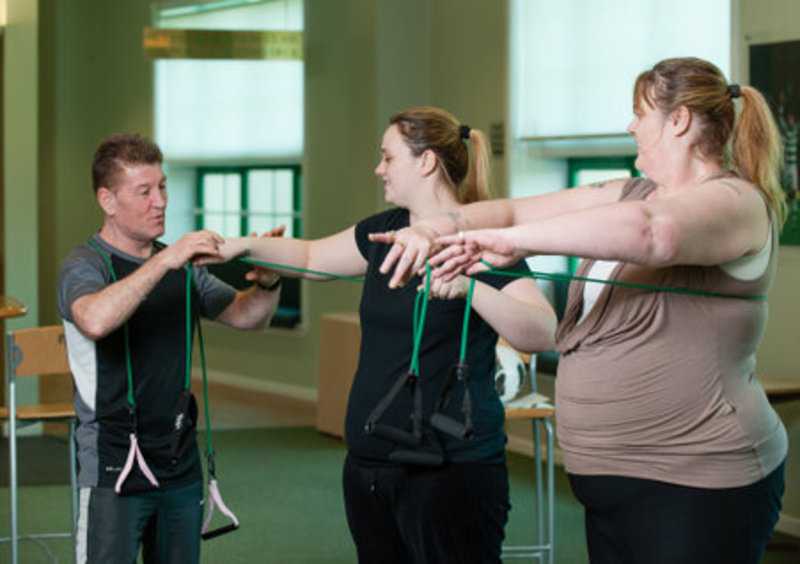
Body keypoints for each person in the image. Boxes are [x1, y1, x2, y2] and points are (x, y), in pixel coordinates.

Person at [374, 58, 789, 564]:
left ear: (678, 121)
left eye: (639, 113)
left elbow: (652, 233)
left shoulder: (737, 201)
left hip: (698, 483)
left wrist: (508, 243)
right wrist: (435, 228)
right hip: (608, 484)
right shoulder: (627, 191)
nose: (630, 126)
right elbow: (512, 210)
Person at [202, 107, 557, 563]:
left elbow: (543, 331)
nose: (379, 168)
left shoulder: (477, 240)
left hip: (448, 472)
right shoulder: (386, 230)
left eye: (388, 158)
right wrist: (238, 246)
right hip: (371, 467)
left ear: (425, 162)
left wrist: (469, 289)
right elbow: (309, 257)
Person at [57, 133, 282, 564]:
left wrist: (268, 282)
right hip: (112, 464)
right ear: (107, 200)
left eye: (161, 186)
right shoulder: (84, 265)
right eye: (143, 192)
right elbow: (95, 319)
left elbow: (246, 316)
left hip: (178, 461)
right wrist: (163, 259)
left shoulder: (183, 269)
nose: (158, 201)